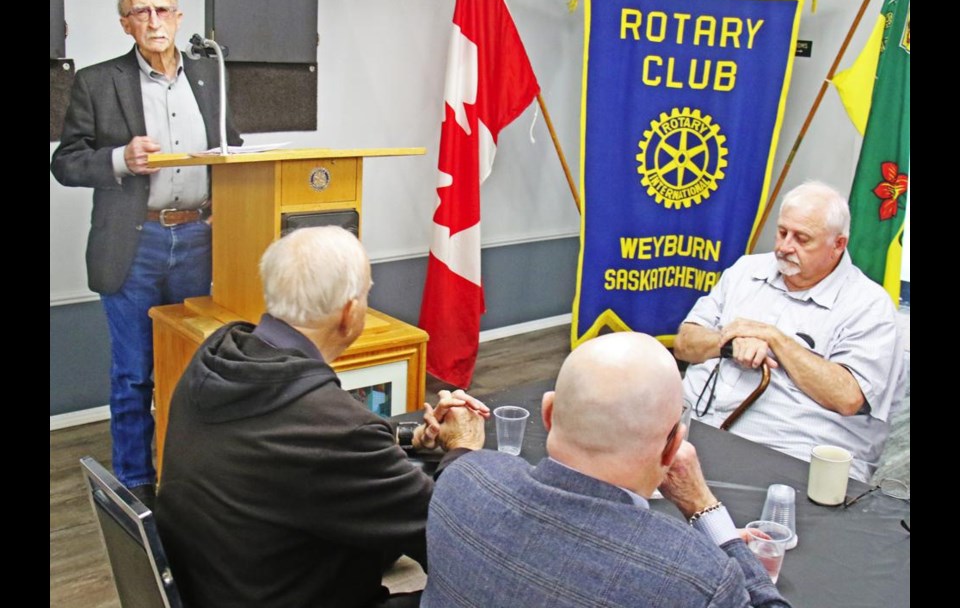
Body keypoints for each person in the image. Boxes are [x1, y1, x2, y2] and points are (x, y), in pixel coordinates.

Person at [155, 226, 488, 608]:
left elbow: (300, 445)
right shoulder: (338, 431)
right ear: (350, 312)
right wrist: (464, 449)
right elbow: (458, 535)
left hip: (228, 581)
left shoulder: (217, 358)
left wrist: (407, 437)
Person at [50, 0, 243, 506]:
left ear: (180, 18)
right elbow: (64, 162)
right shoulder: (97, 81)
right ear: (126, 23)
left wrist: (229, 201)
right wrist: (118, 159)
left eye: (163, 10)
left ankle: (190, 475)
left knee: (197, 369)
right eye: (142, 12)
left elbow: (233, 148)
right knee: (135, 373)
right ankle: (137, 485)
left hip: (201, 240)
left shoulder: (210, 75)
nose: (154, 21)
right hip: (135, 245)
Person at [422, 332, 789, 607]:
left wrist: (462, 442)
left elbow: (466, 461)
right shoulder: (700, 578)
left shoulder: (461, 480)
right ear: (673, 446)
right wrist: (705, 510)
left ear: (548, 414)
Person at [673, 181, 905, 482]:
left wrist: (775, 339)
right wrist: (728, 342)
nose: (784, 247)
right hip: (694, 431)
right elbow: (684, 344)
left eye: (802, 239)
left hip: (788, 455)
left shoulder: (869, 306)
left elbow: (848, 396)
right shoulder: (746, 271)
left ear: (838, 245)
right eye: (782, 232)